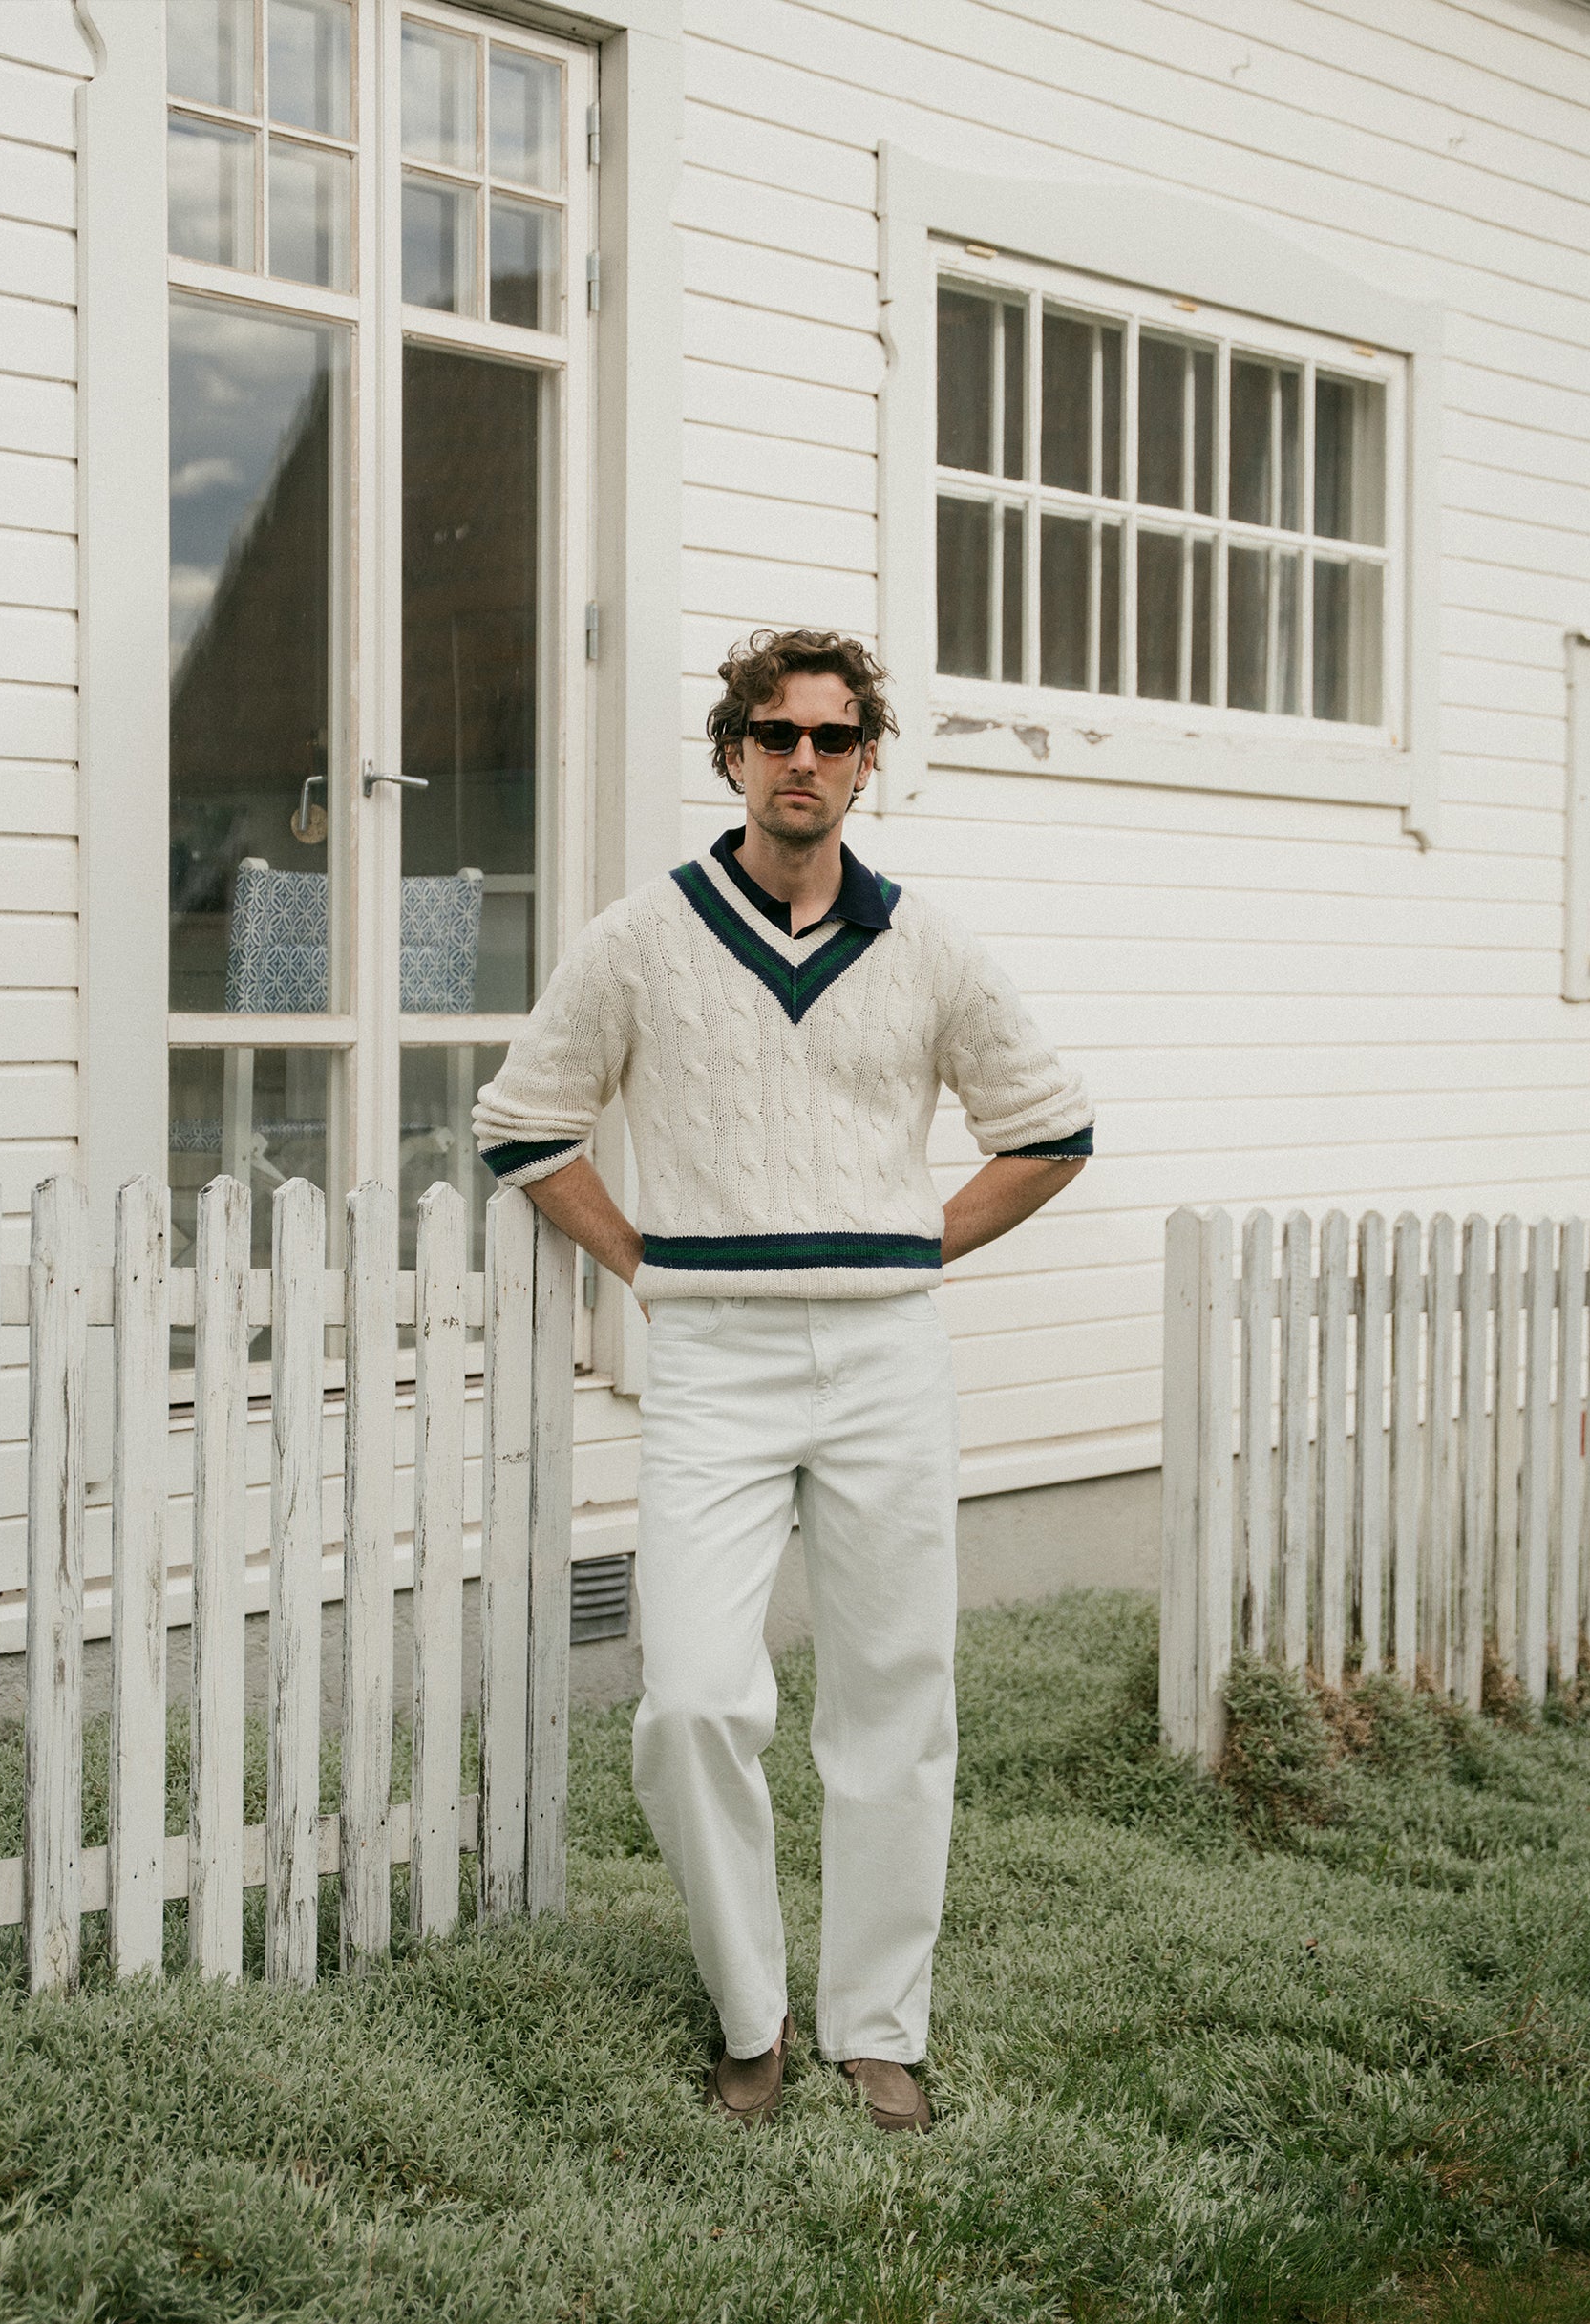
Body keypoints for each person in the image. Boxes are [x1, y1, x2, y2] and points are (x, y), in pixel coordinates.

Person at [473, 628, 1092, 2132]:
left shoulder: (925, 945)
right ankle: (752, 2015)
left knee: (893, 1696)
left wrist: (908, 1249)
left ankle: (879, 2028)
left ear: (868, 757)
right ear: (731, 754)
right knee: (688, 1700)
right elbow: (524, 1122)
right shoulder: (641, 937)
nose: (800, 759)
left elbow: (1049, 1128)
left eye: (830, 735)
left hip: (884, 1356)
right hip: (714, 1363)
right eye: (773, 732)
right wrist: (649, 1265)